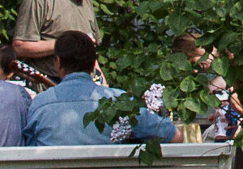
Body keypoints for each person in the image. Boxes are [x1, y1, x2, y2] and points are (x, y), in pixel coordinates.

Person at [22, 31, 177, 146]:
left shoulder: (40, 103)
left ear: (57, 62)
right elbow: (175, 136)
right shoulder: (118, 102)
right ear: (93, 63)